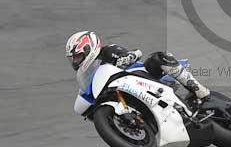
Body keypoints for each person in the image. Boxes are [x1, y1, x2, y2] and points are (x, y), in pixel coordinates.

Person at [66, 31, 210, 115]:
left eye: (78, 56)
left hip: (143, 76)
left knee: (158, 57)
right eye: (73, 58)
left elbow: (136, 53)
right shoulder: (88, 73)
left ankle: (199, 91)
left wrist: (127, 57)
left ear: (88, 49)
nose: (75, 61)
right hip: (124, 91)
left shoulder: (108, 51)